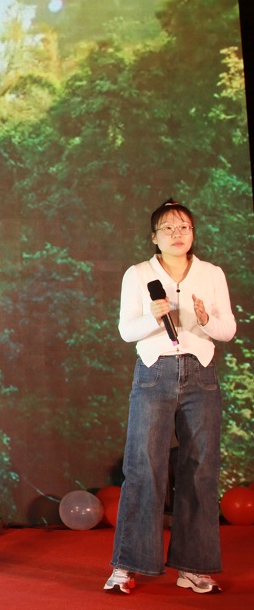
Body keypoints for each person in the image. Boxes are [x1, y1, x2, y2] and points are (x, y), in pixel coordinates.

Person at [105, 199, 236, 595]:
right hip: (154, 371)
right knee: (143, 467)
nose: (177, 234)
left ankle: (193, 567)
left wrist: (206, 318)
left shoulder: (211, 274)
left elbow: (228, 329)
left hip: (201, 373)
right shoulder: (138, 274)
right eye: (168, 228)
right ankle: (128, 565)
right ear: (154, 237)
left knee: (200, 470)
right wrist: (153, 315)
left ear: (192, 233)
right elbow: (126, 330)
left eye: (184, 227)